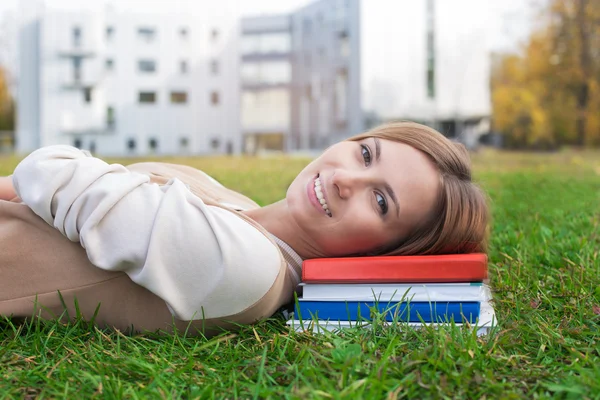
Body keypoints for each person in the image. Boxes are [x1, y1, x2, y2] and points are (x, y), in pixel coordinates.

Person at [0, 122, 488, 335]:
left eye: (380, 201)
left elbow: (52, 175)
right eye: (365, 153)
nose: (344, 179)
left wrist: (35, 181)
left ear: (383, 254)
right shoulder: (237, 206)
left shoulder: (248, 269)